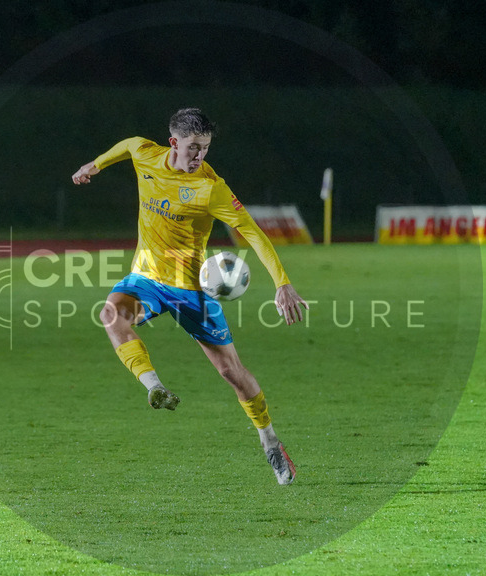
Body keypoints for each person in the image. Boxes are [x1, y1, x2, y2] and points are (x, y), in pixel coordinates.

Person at [71, 108, 308, 485]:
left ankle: (271, 443)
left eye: (206, 148)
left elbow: (253, 234)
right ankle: (156, 388)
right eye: (194, 148)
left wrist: (282, 283)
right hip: (145, 277)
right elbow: (129, 146)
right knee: (111, 315)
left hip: (191, 289)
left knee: (231, 372)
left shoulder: (211, 188)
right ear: (173, 142)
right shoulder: (146, 155)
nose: (200, 156)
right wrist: (94, 165)